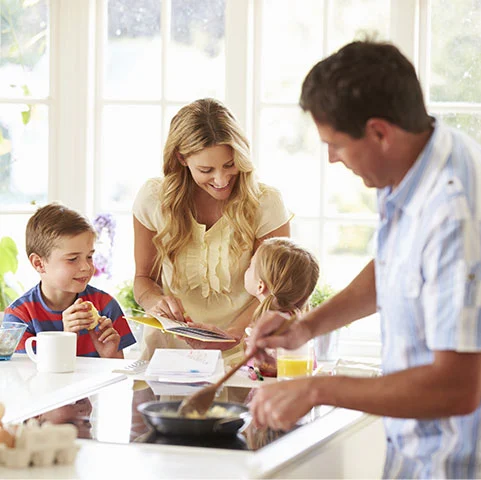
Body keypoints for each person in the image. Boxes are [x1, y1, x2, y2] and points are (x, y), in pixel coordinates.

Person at [247, 40, 481, 479]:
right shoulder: (417, 162)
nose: (333, 158)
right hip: (412, 455)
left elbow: (458, 388)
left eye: (336, 144)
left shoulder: (454, 210)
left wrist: (316, 388)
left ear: (379, 132)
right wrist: (304, 328)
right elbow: (393, 268)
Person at [133, 98, 292, 362]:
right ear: (181, 158)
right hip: (168, 354)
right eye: (206, 169)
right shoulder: (153, 199)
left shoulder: (265, 203)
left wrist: (231, 335)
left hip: (244, 353)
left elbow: (276, 291)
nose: (221, 180)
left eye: (230, 165)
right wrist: (155, 302)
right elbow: (143, 279)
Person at [4, 203, 136, 358]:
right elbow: (26, 378)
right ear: (39, 264)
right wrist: (66, 339)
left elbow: (119, 376)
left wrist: (110, 355)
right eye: (73, 259)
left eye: (89, 256)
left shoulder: (106, 306)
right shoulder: (19, 317)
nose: (86, 267)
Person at [244, 237, 319, 376]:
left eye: (250, 266)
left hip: (272, 395)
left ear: (260, 285)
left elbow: (259, 373)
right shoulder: (298, 327)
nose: (246, 270)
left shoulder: (271, 329)